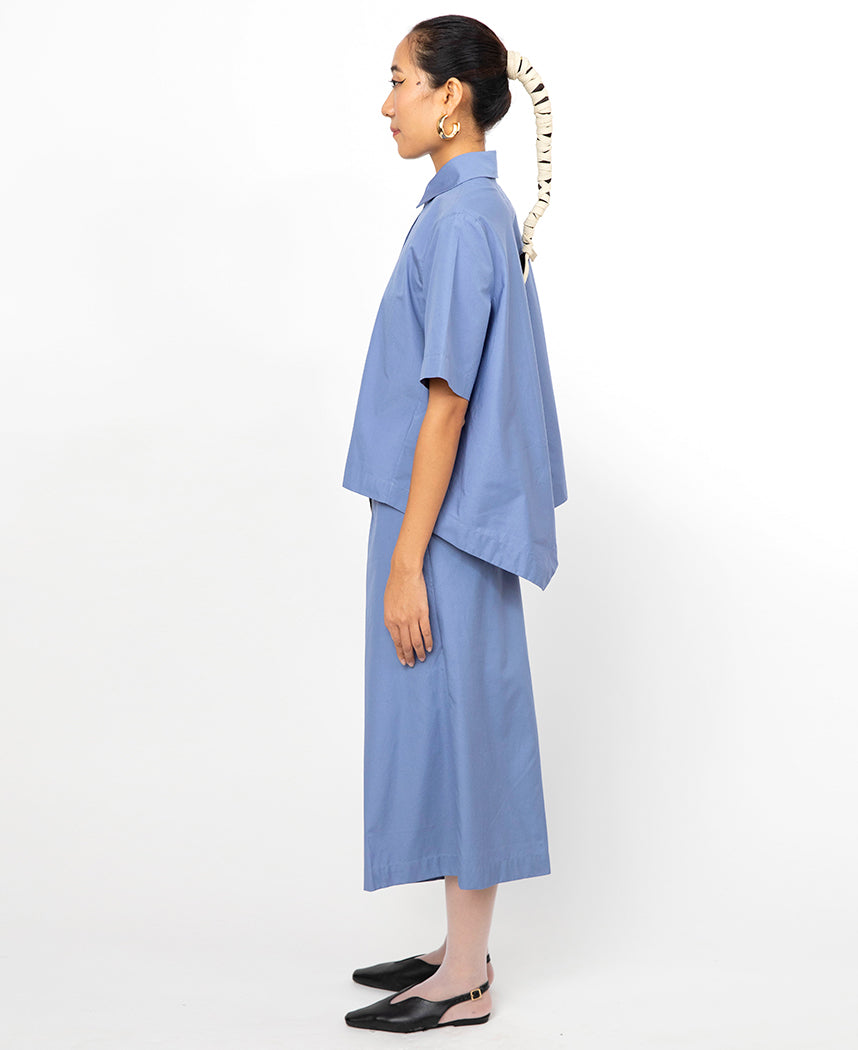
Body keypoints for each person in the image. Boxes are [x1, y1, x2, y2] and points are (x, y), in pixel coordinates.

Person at [341, 15, 566, 1034]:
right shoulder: (464, 212)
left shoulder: (464, 221)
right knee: (437, 723)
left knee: (465, 726)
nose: (385, 103)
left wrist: (407, 563)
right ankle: (456, 945)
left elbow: (449, 406)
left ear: (451, 97)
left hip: (446, 527)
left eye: (399, 80)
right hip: (438, 517)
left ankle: (466, 980)